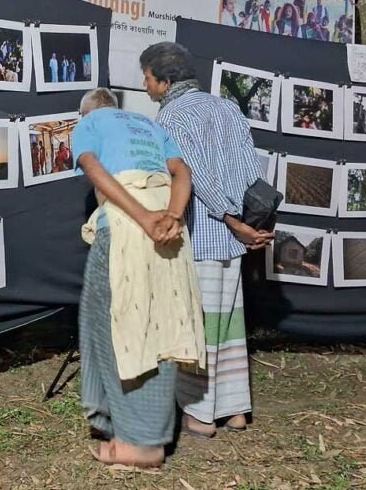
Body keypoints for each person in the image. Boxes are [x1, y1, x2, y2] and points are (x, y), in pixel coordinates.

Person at [140, 41, 273, 440]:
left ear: (165, 82)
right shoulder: (227, 108)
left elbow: (194, 178)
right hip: (235, 239)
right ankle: (234, 410)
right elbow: (251, 171)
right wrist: (251, 225)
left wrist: (232, 221)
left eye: (147, 79)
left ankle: (200, 414)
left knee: (197, 325)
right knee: (228, 324)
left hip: (202, 237)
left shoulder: (171, 117)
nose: (145, 86)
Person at [72, 87, 205, 468]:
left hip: (128, 225)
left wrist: (143, 217)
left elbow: (92, 167)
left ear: (86, 113)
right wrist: (172, 216)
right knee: (161, 326)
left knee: (116, 326)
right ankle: (124, 424)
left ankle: (139, 444)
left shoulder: (89, 123)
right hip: (170, 228)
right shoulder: (149, 124)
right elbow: (183, 172)